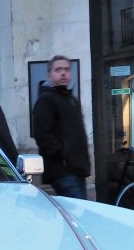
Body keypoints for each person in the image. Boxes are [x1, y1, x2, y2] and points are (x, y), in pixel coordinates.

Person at [30, 55, 91, 199]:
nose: (63, 73)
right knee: (77, 208)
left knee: (76, 208)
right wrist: (62, 157)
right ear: (49, 74)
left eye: (67, 69)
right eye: (58, 70)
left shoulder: (70, 99)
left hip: (76, 168)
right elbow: (42, 134)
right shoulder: (46, 99)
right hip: (62, 170)